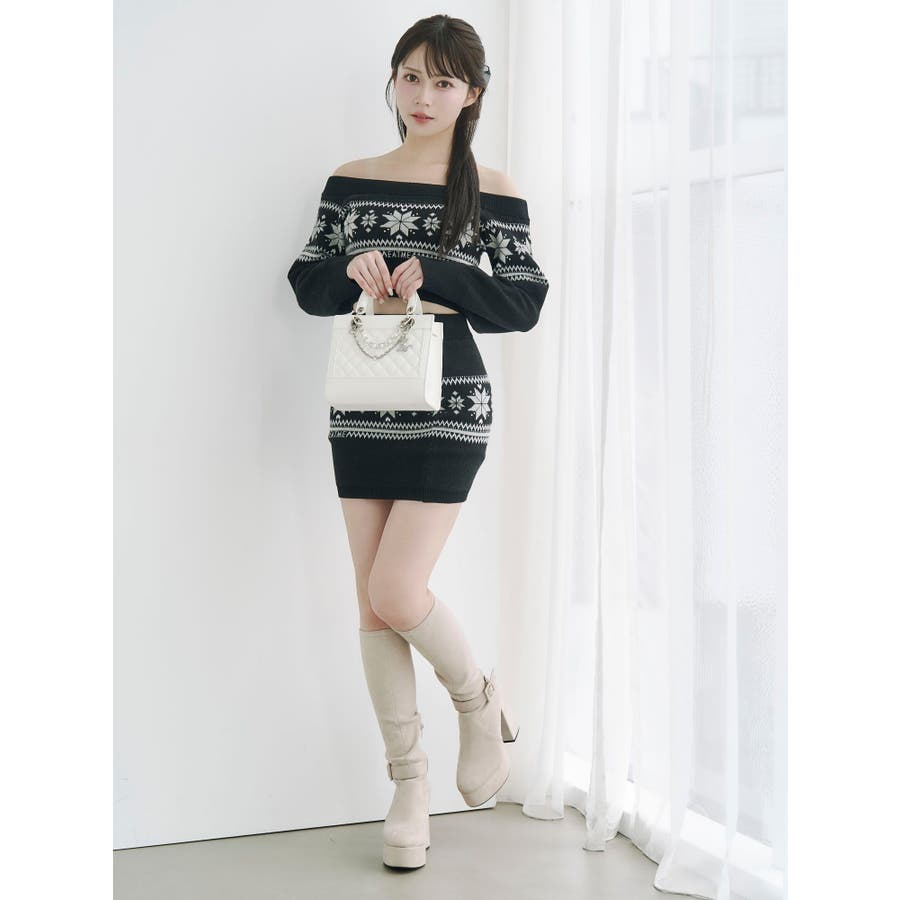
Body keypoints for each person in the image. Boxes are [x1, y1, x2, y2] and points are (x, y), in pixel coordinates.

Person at [286, 14, 550, 870]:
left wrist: (439, 276)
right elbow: (306, 282)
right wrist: (348, 271)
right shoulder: (352, 180)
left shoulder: (491, 189)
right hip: (364, 403)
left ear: (472, 93)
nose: (424, 96)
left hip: (449, 404)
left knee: (399, 590)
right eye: (411, 76)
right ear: (393, 80)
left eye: (443, 81)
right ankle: (407, 786)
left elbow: (524, 301)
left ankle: (477, 702)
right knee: (373, 605)